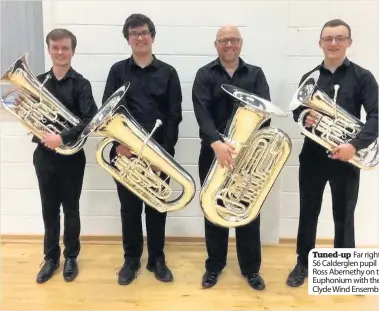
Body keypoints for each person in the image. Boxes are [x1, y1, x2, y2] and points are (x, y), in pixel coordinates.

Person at [287, 19, 378, 287]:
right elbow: (297, 110)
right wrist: (306, 117)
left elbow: (375, 115)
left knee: (344, 213)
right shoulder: (311, 77)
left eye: (339, 38)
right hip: (313, 157)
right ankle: (303, 263)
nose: (333, 43)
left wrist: (354, 146)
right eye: (328, 39)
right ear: (320, 43)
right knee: (308, 211)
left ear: (349, 42)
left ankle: (343, 269)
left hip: (347, 157)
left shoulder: (363, 77)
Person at [102, 13, 183, 286]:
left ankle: (157, 259)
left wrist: (164, 154)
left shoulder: (168, 73)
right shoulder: (117, 71)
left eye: (144, 32)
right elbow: (107, 113)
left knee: (157, 207)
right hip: (124, 154)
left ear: (152, 36)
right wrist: (117, 144)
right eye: (134, 33)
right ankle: (132, 259)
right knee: (129, 209)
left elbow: (174, 116)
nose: (140, 37)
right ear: (128, 39)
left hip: (158, 154)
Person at [192, 25, 271, 290]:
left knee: (248, 210)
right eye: (224, 40)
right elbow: (201, 112)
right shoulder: (204, 74)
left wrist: (247, 148)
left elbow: (265, 112)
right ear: (216, 44)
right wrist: (216, 141)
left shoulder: (256, 74)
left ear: (240, 43)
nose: (229, 44)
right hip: (213, 152)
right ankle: (214, 266)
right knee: (213, 209)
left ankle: (251, 269)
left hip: (247, 156)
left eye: (233, 40)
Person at [31, 28, 98, 283]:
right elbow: (31, 117)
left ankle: (71, 257)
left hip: (71, 156)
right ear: (49, 50)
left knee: (71, 210)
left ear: (73, 51)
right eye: (55, 48)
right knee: (49, 209)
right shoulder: (38, 82)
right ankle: (50, 259)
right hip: (44, 155)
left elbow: (90, 119)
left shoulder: (81, 84)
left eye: (65, 48)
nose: (60, 52)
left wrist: (62, 137)